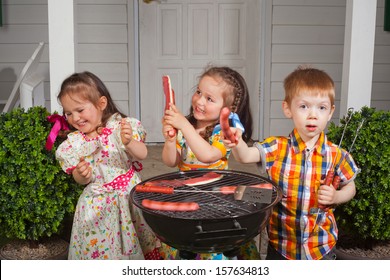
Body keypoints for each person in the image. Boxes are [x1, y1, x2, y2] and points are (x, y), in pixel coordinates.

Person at [223, 65, 359, 260]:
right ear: (287, 108)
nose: (313, 115)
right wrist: (237, 142)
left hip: (320, 246)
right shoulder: (276, 147)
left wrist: (336, 196)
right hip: (281, 246)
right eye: (304, 106)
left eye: (321, 107)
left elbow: (351, 187)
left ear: (330, 112)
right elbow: (244, 156)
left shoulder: (337, 155)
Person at [55, 71, 161, 260]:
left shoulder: (120, 128)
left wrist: (129, 142)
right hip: (96, 206)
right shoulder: (75, 144)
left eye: (80, 110)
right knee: (100, 249)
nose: (75, 118)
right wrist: (82, 174)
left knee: (135, 244)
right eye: (68, 113)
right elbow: (80, 180)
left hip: (128, 197)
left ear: (101, 104)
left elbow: (142, 154)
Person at [160, 66, 259, 260]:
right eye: (198, 92)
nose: (199, 101)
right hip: (187, 196)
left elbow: (208, 155)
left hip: (216, 200)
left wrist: (184, 126)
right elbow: (171, 162)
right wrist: (171, 141)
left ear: (228, 110)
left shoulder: (224, 132)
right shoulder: (187, 128)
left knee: (213, 240)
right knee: (187, 243)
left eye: (209, 98)